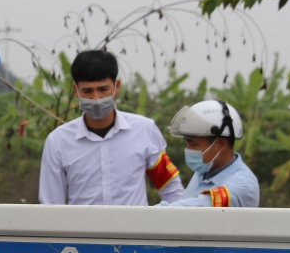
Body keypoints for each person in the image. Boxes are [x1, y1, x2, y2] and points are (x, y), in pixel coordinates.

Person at [39, 50, 183, 205]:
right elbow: (51, 204)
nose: (96, 98)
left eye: (103, 89)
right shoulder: (58, 141)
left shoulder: (144, 130)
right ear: (76, 91)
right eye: (87, 91)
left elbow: (172, 190)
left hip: (134, 229)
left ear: (117, 86)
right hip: (83, 229)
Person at [161, 99, 260, 207]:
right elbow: (179, 204)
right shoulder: (204, 171)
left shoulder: (242, 185)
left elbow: (197, 207)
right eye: (187, 142)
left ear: (221, 144)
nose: (188, 148)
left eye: (193, 144)